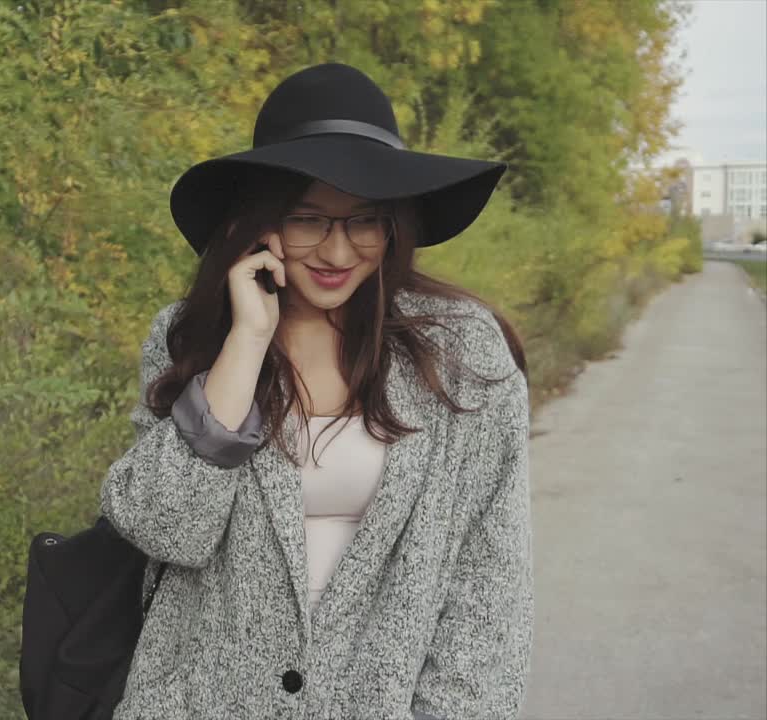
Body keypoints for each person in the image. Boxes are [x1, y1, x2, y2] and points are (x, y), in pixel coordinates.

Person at [99, 63, 533, 719]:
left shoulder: (463, 353)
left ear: (393, 225)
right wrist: (244, 345)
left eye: (363, 220)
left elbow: (490, 579)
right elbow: (165, 530)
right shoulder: (191, 338)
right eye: (308, 219)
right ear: (260, 224)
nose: (338, 250)